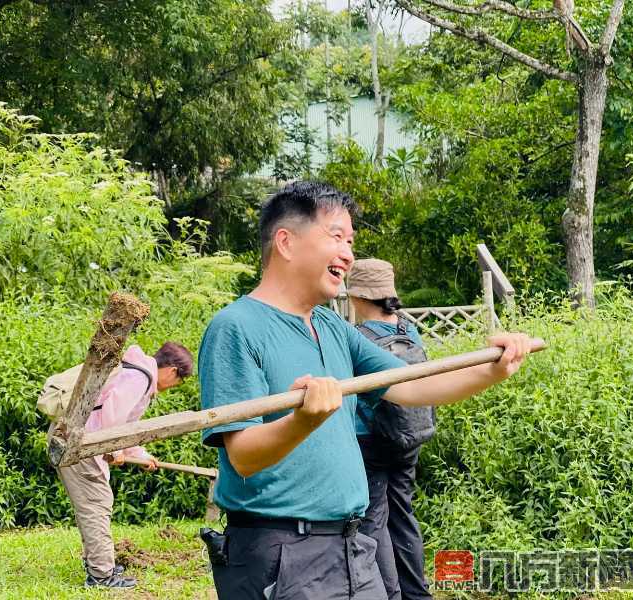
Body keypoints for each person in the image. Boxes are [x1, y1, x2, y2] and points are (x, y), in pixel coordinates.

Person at [198, 181, 532, 600]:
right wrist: (304, 421)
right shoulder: (237, 327)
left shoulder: (331, 325)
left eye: (351, 241)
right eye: (336, 236)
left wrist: (493, 368)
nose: (348, 254)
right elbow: (243, 455)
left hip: (353, 546)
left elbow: (413, 383)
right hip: (281, 553)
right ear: (285, 241)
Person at [56, 341, 193, 590]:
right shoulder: (138, 378)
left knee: (95, 503)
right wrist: (113, 448)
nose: (174, 387)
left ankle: (98, 564)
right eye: (179, 381)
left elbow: (124, 427)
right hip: (81, 443)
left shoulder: (137, 373)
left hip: (80, 439)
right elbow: (112, 416)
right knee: (96, 504)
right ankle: (101, 576)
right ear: (172, 371)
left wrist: (140, 455)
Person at [347, 258, 433, 600]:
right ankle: (417, 593)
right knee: (403, 514)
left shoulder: (359, 338)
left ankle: (388, 594)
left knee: (374, 520)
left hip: (371, 439)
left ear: (359, 297)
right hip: (410, 436)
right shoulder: (408, 330)